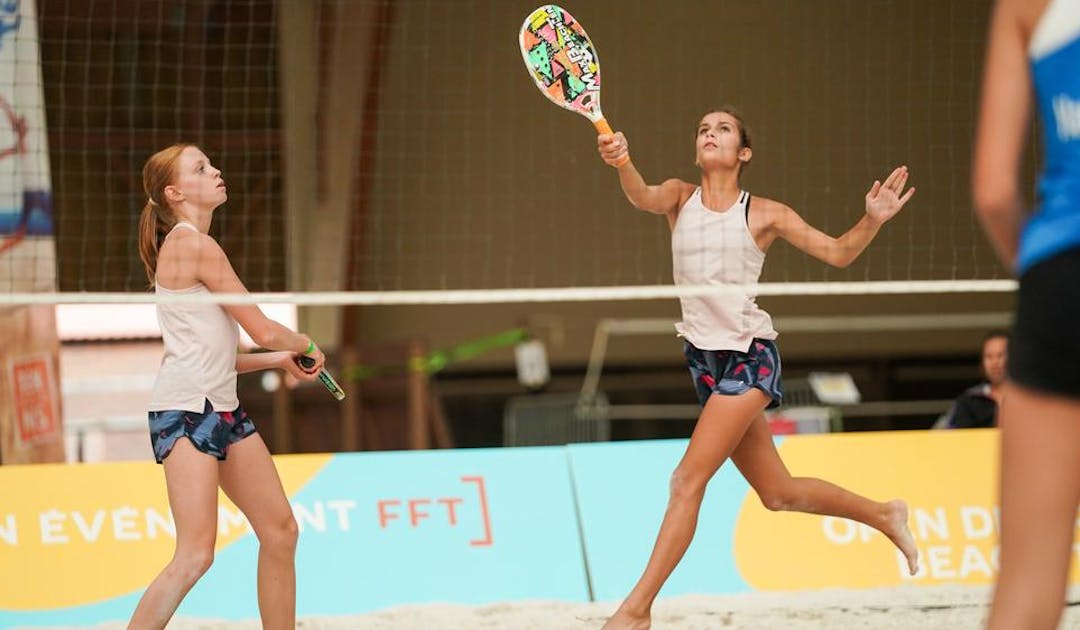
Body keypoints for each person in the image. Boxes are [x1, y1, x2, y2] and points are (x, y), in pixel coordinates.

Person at [596, 107, 919, 630]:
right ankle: (885, 514)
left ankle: (636, 612)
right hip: (703, 361)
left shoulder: (765, 212)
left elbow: (837, 254)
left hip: (748, 357)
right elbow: (640, 195)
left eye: (722, 129)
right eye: (701, 128)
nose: (709, 133)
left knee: (685, 481)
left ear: (743, 153)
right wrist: (622, 160)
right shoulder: (679, 196)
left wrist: (872, 219)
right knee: (778, 493)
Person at [128, 144, 326, 630]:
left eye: (212, 163)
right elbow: (263, 329)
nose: (216, 170)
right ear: (175, 193)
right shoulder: (191, 243)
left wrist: (282, 358)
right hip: (186, 412)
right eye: (201, 168)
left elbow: (221, 356)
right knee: (195, 554)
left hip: (223, 408)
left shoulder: (192, 244)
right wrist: (304, 342)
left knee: (281, 531)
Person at [973, 0, 1080, 627]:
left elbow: (994, 194)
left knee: (1028, 581)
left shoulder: (1026, 6)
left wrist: (1044, 279)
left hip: (1063, 271)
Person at [940, 330, 1009, 429]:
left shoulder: (1028, 397)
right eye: (989, 357)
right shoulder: (969, 400)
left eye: (1000, 356)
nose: (994, 363)